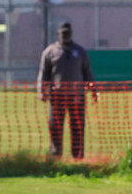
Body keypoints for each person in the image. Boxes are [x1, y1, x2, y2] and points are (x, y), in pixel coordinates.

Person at [37, 21, 97, 159]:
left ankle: (78, 155)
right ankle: (55, 154)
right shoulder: (50, 51)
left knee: (77, 125)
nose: (65, 35)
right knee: (55, 126)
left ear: (71, 33)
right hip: (57, 96)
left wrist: (93, 89)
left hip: (77, 95)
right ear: (59, 34)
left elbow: (87, 72)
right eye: (63, 33)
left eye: (67, 33)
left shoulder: (80, 51)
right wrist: (42, 91)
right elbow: (43, 73)